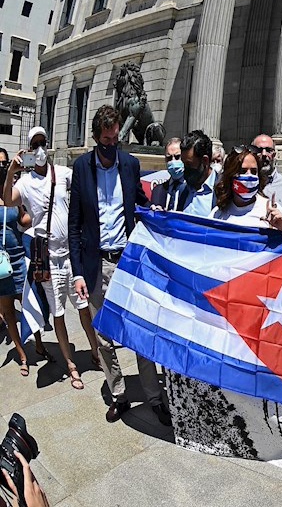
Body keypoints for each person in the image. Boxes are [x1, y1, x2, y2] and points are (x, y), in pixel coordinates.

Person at [69, 106, 169, 424]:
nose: (112, 145)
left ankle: (154, 397)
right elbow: (74, 226)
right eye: (106, 140)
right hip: (96, 263)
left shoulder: (129, 164)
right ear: (96, 139)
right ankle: (120, 394)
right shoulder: (82, 168)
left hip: (127, 261)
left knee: (139, 329)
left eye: (116, 139)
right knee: (103, 335)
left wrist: (153, 207)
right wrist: (77, 272)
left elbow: (140, 199)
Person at [5, 129, 88, 389]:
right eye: (35, 145)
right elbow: (7, 200)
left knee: (84, 308)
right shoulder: (25, 182)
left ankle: (97, 352)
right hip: (48, 256)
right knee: (59, 313)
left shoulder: (63, 173)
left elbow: (84, 193)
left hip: (71, 254)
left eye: (43, 143)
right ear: (29, 150)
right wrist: (10, 172)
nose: (40, 149)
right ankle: (71, 366)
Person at [0, 147, 34, 378]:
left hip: (18, 257)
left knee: (30, 306)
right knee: (8, 311)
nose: (1, 167)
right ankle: (22, 354)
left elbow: (23, 218)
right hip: (0, 265)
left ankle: (38, 343)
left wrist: (45, 212)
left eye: (4, 163)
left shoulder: (13, 193)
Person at [210, 147, 282, 229]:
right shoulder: (218, 213)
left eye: (253, 172)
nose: (249, 176)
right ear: (230, 175)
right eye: (243, 171)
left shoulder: (272, 210)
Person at [252, 134, 282, 208]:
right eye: (259, 150)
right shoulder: (246, 183)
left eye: (269, 150)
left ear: (274, 154)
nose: (264, 154)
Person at [150, 137, 184, 210]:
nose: (173, 161)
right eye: (169, 158)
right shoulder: (157, 190)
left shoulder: (192, 190)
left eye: (177, 157)